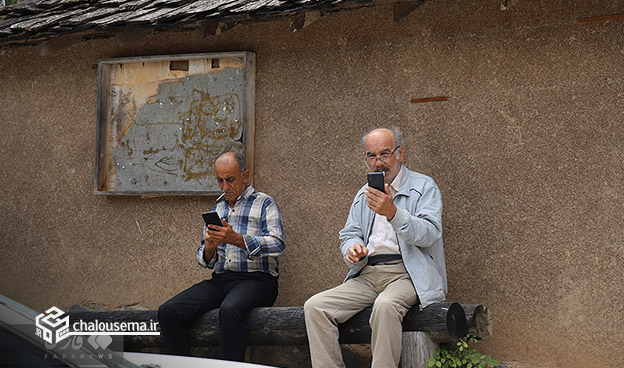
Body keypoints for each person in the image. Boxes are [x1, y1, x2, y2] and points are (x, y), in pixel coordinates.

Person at [304, 127, 447, 368]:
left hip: (408, 273)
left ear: (400, 153)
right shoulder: (363, 193)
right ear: (365, 159)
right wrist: (352, 249)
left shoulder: (424, 186)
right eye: (371, 156)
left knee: (385, 306)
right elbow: (349, 234)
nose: (379, 162)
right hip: (368, 274)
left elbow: (429, 233)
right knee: (315, 307)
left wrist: (393, 213)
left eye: (385, 154)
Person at [158, 151, 285, 362]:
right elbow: (204, 260)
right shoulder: (217, 209)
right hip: (222, 280)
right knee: (169, 311)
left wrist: (237, 239)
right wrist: (209, 247)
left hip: (258, 279)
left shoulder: (265, 203)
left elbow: (278, 243)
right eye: (220, 180)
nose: (225, 187)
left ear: (245, 176)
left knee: (230, 309)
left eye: (230, 180)